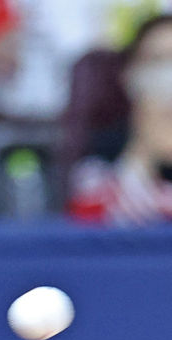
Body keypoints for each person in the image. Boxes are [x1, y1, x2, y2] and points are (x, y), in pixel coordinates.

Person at [67, 15, 172, 225]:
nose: (168, 77)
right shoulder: (96, 161)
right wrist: (142, 154)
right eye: (159, 61)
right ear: (130, 74)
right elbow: (90, 217)